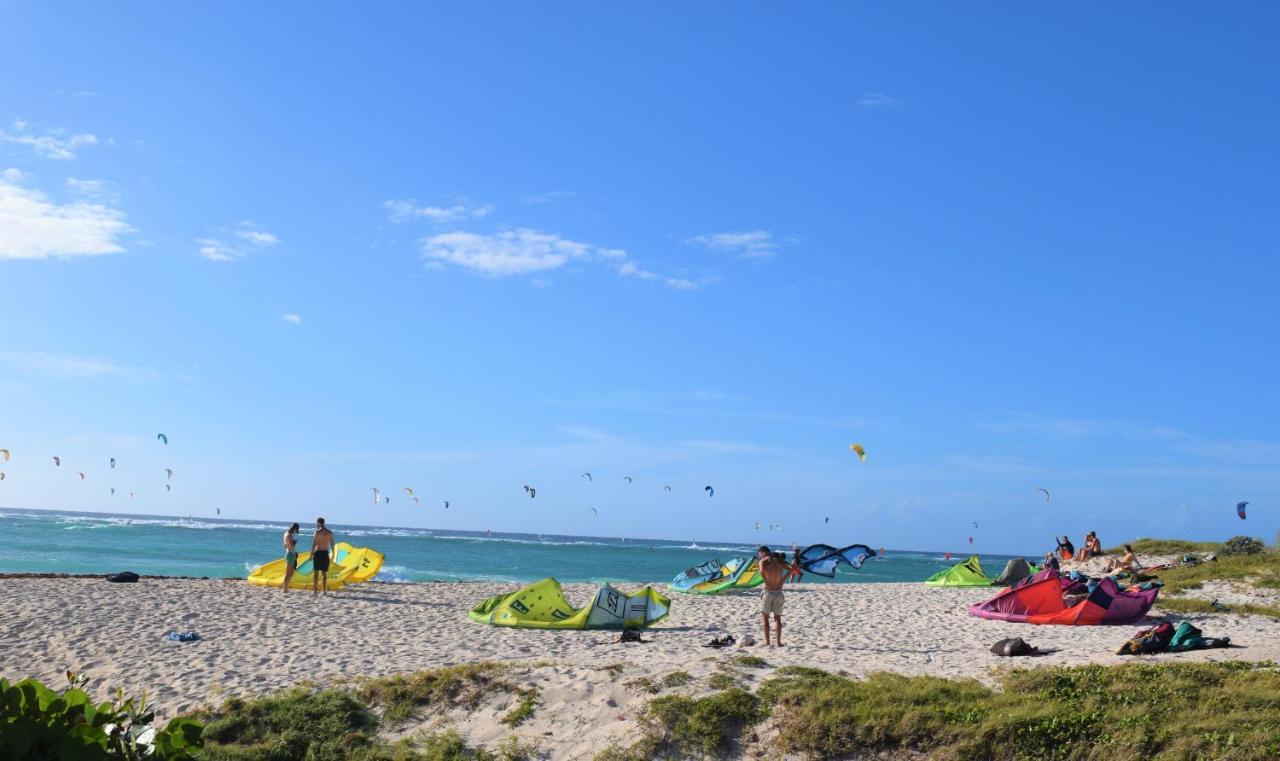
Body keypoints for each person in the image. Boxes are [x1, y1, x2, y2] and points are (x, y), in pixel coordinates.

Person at [757, 546, 788, 647]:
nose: (759, 556)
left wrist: (765, 580)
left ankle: (767, 642)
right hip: (779, 592)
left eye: (760, 554)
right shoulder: (780, 561)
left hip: (768, 591)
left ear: (763, 552)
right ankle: (778, 643)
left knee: (765, 618)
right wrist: (783, 580)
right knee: (777, 618)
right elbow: (793, 569)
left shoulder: (764, 561)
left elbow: (761, 570)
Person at [311, 517, 335, 596]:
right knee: (324, 574)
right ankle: (324, 591)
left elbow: (314, 544)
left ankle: (315, 590)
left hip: (318, 553)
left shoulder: (317, 532)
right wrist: (333, 554)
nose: (316, 524)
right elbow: (332, 544)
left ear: (319, 523)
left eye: (316, 523)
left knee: (316, 573)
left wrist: (311, 553)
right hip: (325, 553)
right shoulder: (330, 532)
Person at [281, 523, 300, 593]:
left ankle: (286, 588)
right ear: (294, 529)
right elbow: (291, 547)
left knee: (291, 573)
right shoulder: (289, 536)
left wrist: (290, 545)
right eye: (296, 530)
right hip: (290, 554)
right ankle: (285, 589)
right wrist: (295, 543)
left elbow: (284, 546)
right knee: (288, 573)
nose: (296, 532)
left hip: (290, 554)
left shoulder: (285, 534)